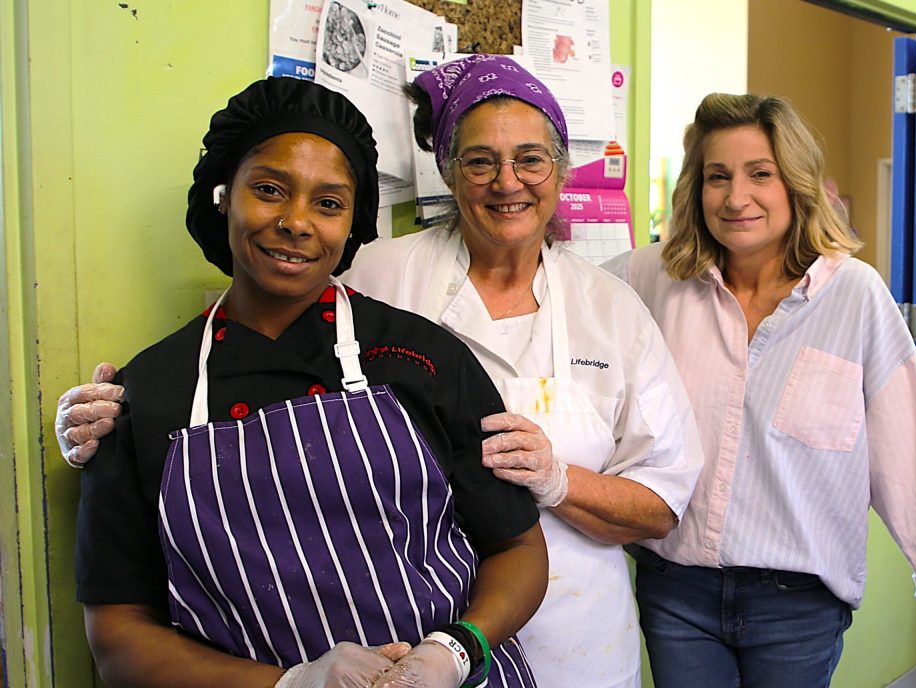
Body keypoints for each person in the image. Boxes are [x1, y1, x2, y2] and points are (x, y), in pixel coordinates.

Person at [59, 55, 706, 688]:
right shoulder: (155, 390)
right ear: (224, 196)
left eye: (329, 203)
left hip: (544, 642)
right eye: (269, 189)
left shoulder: (448, 348)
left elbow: (569, 527)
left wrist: (458, 647)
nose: (296, 223)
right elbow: (119, 634)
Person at [603, 92, 916, 686]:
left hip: (797, 606)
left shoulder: (854, 296)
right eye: (716, 177)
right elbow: (561, 313)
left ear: (796, 183)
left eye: (760, 175)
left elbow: (911, 460)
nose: (735, 197)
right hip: (678, 592)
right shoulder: (652, 279)